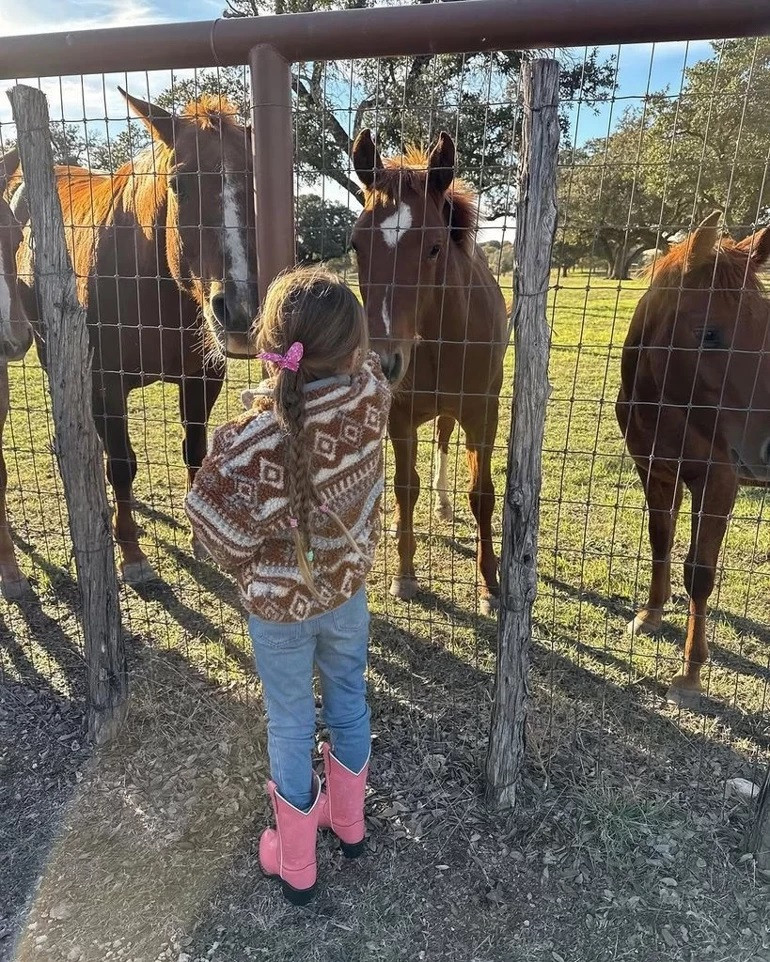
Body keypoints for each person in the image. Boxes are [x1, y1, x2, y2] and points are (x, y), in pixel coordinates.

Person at [185, 267, 391, 905]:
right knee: (349, 702)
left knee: (292, 722)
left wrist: (255, 556)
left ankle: (296, 860)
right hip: (347, 597)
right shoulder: (372, 398)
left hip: (278, 613)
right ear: (353, 350)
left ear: (267, 343)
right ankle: (349, 825)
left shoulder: (247, 445)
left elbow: (212, 529)